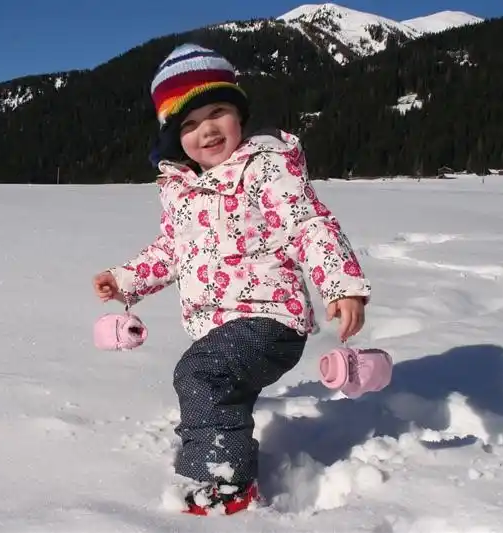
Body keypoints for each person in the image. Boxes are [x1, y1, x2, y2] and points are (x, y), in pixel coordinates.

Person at [92, 43, 372, 515]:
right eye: (189, 124)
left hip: (270, 317)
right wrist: (125, 280)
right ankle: (218, 445)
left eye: (217, 112)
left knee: (199, 375)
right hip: (218, 326)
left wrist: (341, 285)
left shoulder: (264, 167)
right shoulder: (181, 190)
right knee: (213, 387)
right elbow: (171, 252)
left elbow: (309, 223)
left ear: (238, 113)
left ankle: (225, 485)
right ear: (174, 137)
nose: (206, 130)